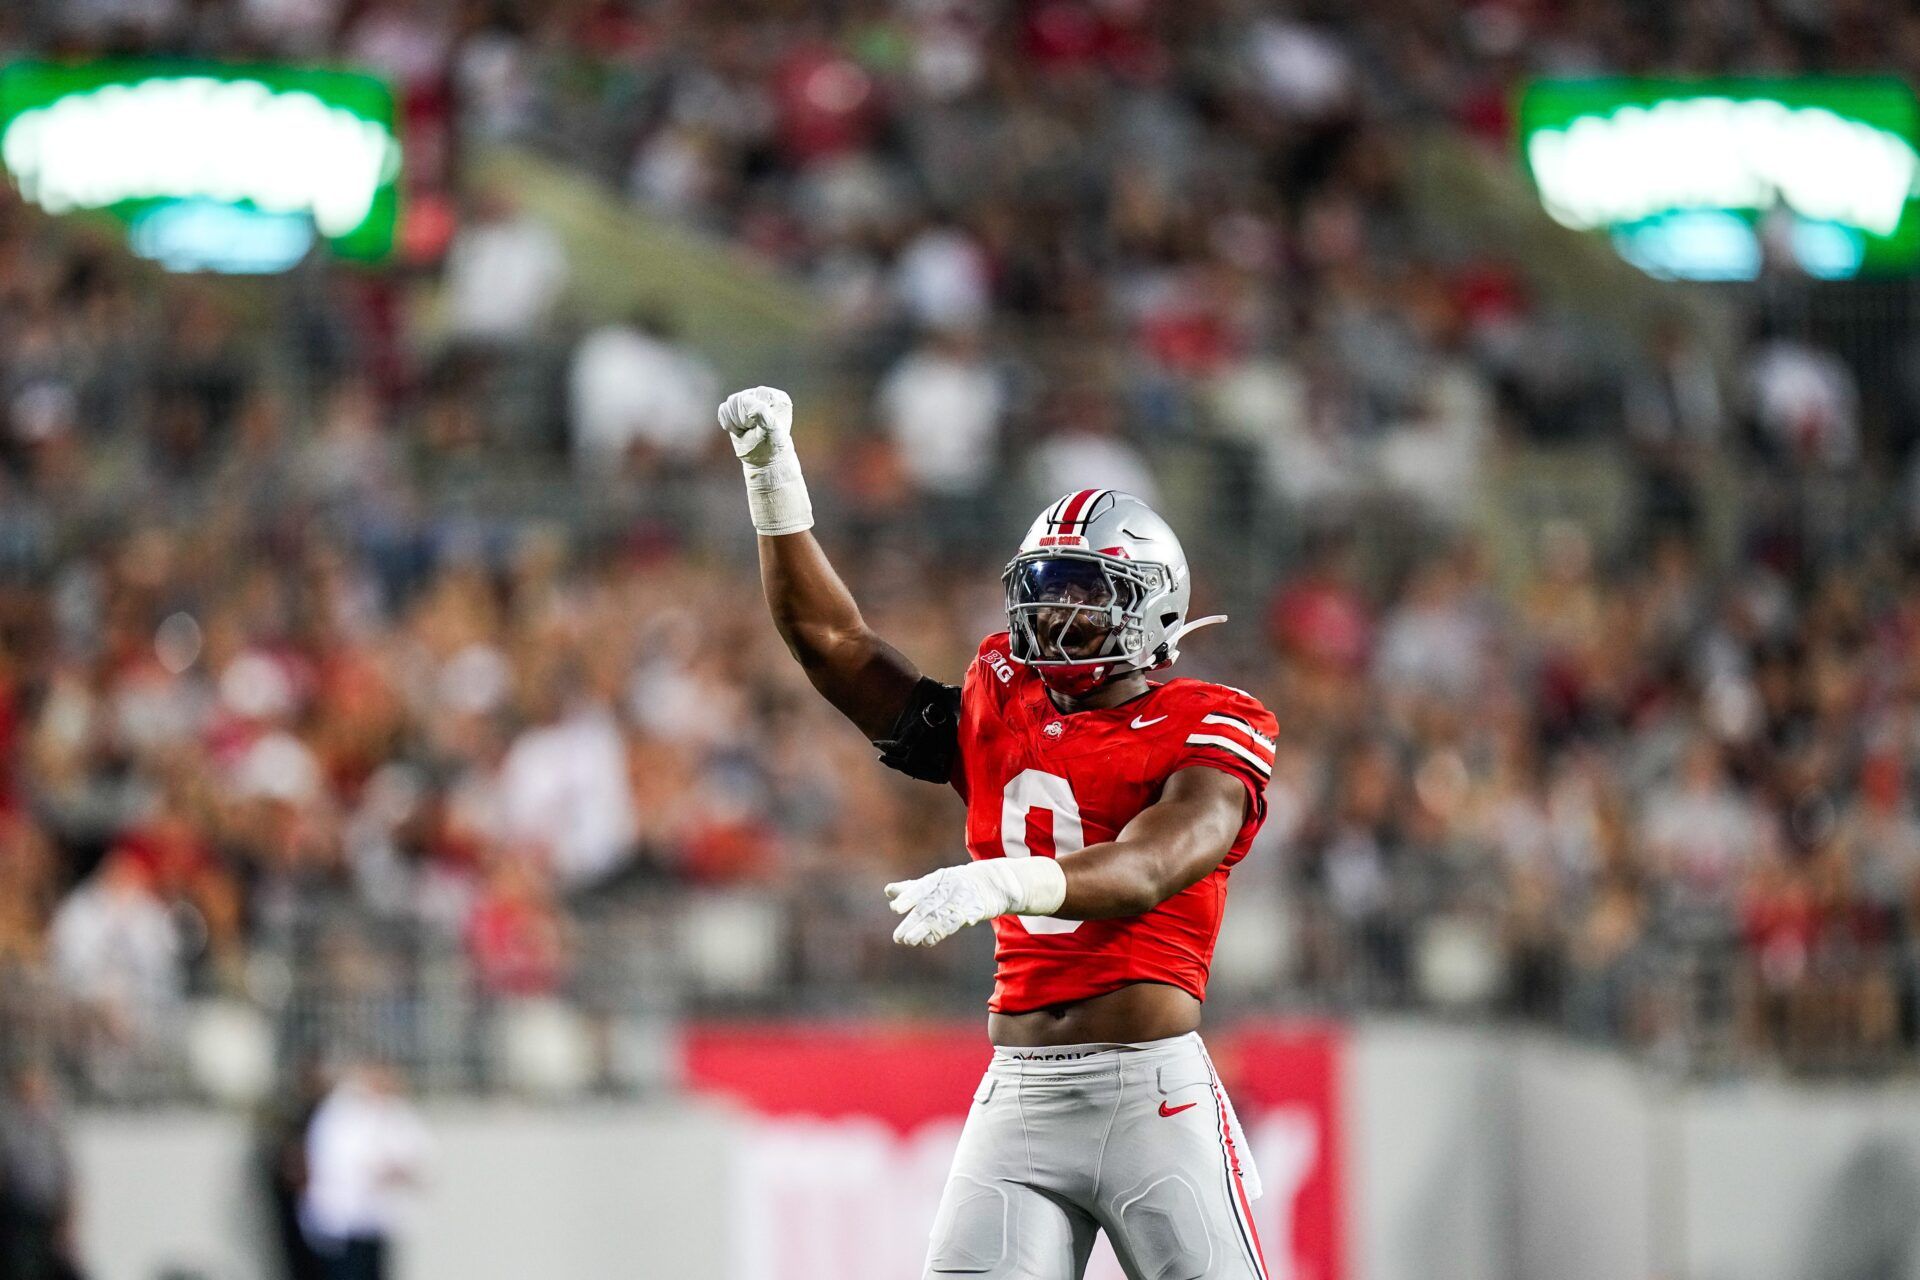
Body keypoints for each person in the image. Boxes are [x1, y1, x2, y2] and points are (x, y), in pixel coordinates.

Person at [718, 387, 1279, 1279]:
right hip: (1018, 1097)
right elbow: (833, 644)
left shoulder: (1211, 722)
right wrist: (772, 479)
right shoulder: (1000, 695)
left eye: (1088, 594)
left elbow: (1150, 866)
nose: (1056, 615)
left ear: (1154, 607)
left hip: (1151, 1096)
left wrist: (1007, 882)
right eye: (1045, 590)